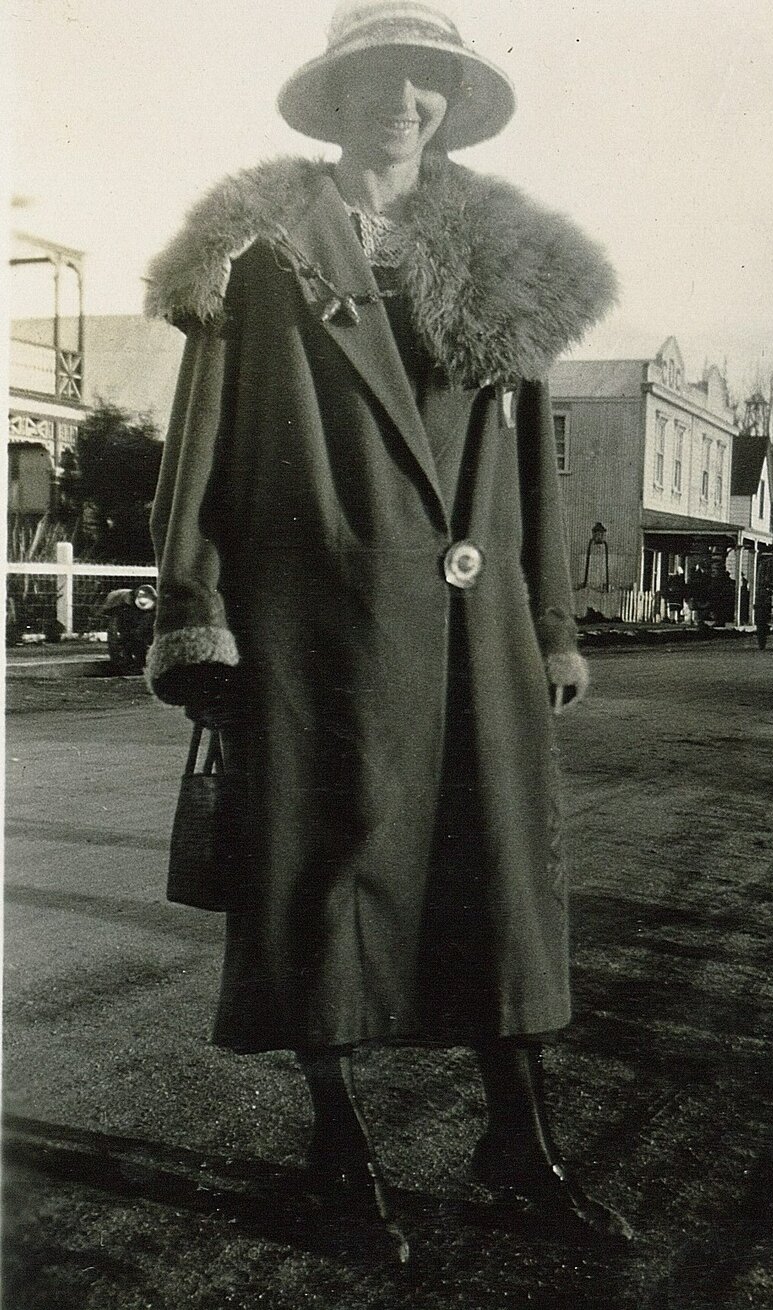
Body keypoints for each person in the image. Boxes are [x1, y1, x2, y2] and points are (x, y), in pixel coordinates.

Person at [144, 0, 631, 1260]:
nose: (400, 100)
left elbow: (535, 463)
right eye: (379, 77)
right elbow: (195, 449)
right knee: (327, 877)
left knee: (499, 875)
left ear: (450, 100)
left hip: (479, 634)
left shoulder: (510, 260)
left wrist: (554, 621)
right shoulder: (258, 252)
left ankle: (519, 1139)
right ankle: (337, 1147)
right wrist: (196, 612)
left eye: (424, 79)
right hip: (321, 627)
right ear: (336, 94)